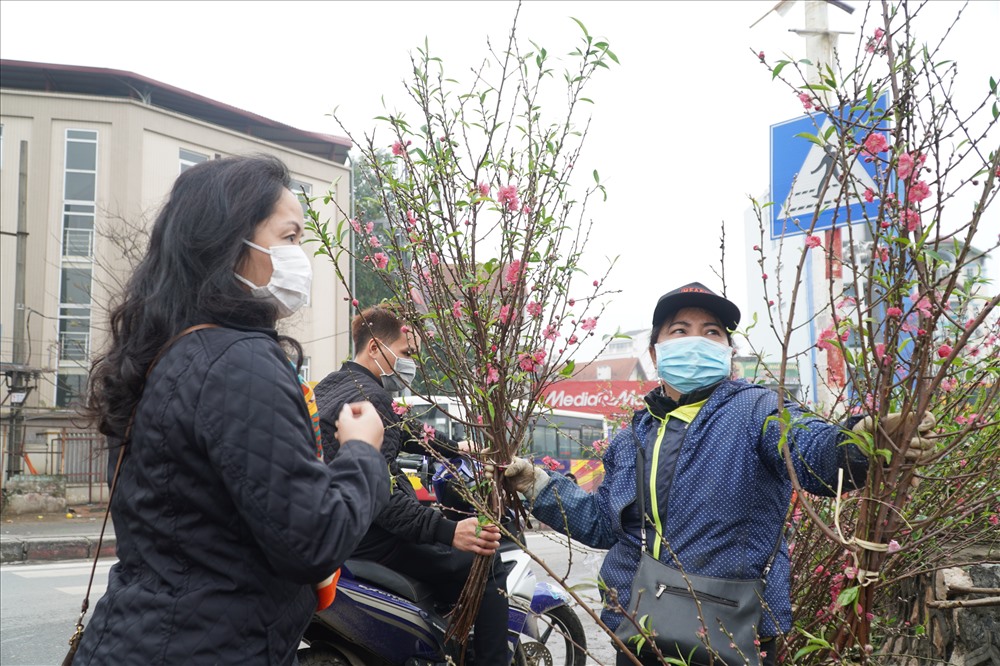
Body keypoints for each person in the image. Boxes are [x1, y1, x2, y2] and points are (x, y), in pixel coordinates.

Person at [498, 282, 933, 666]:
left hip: (732, 628)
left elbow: (808, 447)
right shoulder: (633, 435)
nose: (696, 340)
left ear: (727, 351)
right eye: (680, 330)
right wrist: (536, 484)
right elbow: (602, 522)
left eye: (712, 332)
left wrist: (859, 446)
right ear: (655, 352)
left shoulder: (757, 410)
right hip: (640, 628)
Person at [74, 155, 391, 666]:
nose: (300, 256)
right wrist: (362, 453)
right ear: (229, 243)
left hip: (145, 636)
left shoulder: (166, 352)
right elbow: (312, 541)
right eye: (289, 238)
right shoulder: (238, 362)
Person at [313, 306, 510, 665]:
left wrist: (457, 449)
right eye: (405, 353)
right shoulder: (371, 397)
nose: (410, 364)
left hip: (340, 527)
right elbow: (381, 497)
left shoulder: (334, 384)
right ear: (375, 348)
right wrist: (449, 531)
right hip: (372, 538)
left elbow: (406, 432)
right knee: (487, 562)